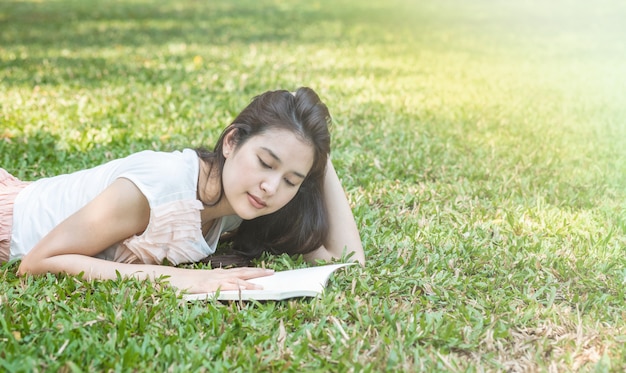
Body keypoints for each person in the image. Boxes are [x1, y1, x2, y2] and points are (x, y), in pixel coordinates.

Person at [0, 87, 365, 294]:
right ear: (232, 141)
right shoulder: (160, 187)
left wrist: (318, 154)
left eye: (291, 180)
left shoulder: (241, 202)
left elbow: (344, 257)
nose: (271, 187)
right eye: (266, 163)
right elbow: (36, 264)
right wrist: (190, 280)